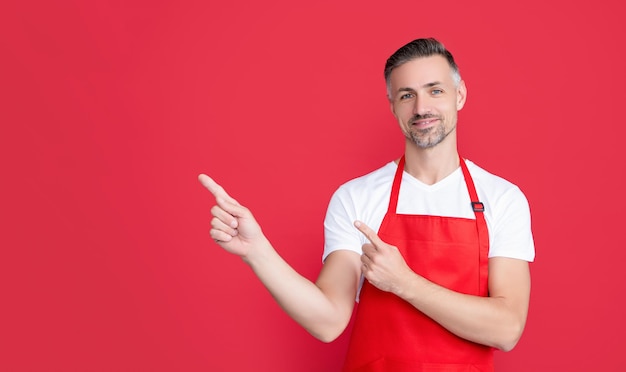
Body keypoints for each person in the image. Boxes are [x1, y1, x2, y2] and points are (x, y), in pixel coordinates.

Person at [198, 37, 534, 371]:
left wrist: (405, 284)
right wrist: (257, 251)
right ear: (392, 105)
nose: (420, 108)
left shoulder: (502, 199)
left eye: (435, 90)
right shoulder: (357, 197)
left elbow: (506, 330)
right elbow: (328, 321)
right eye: (407, 95)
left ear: (459, 95)